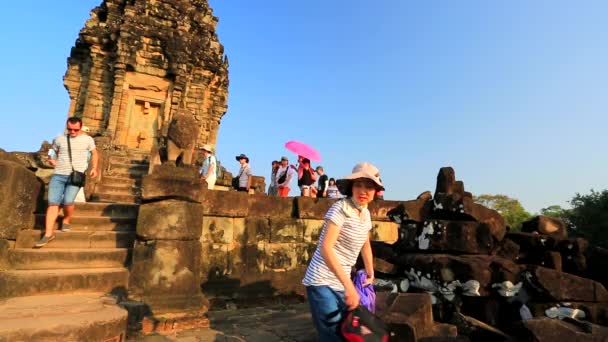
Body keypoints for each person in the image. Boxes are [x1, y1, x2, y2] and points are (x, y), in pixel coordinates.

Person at [302, 162, 384, 341]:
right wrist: (349, 287)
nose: (363, 191)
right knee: (332, 334)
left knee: (345, 329)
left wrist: (371, 272)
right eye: (358, 185)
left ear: (375, 191)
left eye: (369, 186)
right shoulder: (340, 209)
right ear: (351, 187)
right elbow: (326, 247)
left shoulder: (365, 213)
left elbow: (365, 243)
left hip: (341, 280)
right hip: (321, 279)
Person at [36, 117, 98, 247]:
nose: (73, 132)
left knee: (68, 201)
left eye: (75, 129)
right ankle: (48, 234)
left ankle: (67, 219)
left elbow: (94, 153)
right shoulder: (59, 138)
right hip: (58, 174)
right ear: (66, 126)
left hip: (76, 175)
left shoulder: (88, 140)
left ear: (80, 127)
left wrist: (94, 168)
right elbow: (53, 151)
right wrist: (52, 159)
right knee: (53, 203)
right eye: (70, 129)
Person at [74, 126, 91, 203]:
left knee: (77, 183)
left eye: (86, 133)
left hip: (80, 166)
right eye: (83, 132)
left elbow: (89, 156)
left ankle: (78, 200)